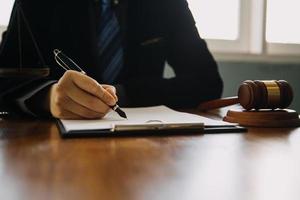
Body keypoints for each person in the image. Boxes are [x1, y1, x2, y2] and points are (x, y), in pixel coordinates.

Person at [0, 0, 223, 119]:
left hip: (145, 150)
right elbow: (4, 82)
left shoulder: (166, 4)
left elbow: (208, 82)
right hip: (52, 154)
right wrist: (48, 98)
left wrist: (125, 93)